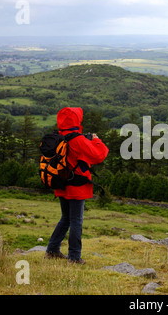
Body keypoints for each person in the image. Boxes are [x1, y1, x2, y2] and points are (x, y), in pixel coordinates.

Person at [45, 107, 109, 264]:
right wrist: (95, 139)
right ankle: (74, 257)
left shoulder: (58, 137)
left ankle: (52, 250)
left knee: (66, 218)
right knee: (76, 221)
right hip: (76, 186)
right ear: (76, 120)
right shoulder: (78, 140)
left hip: (61, 184)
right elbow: (99, 155)